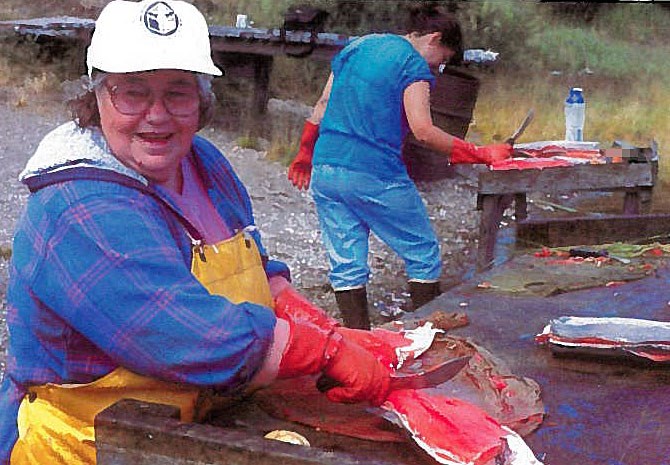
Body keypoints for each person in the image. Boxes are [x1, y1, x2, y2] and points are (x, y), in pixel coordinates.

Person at [0, 1, 391, 463]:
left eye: (179, 92)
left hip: (190, 422)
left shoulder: (203, 163)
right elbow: (181, 337)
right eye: (132, 92)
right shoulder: (79, 207)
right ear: (96, 96)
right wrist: (322, 352)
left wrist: (303, 312)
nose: (158, 114)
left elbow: (253, 262)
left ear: (203, 98)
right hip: (88, 442)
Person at [287, 5, 513, 329]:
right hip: (375, 172)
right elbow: (423, 130)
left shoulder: (358, 45)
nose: (438, 67)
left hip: (326, 167)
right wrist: (480, 153)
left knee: (346, 262)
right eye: (443, 58)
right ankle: (430, 333)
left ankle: (360, 344)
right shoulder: (413, 65)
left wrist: (304, 153)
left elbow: (323, 103)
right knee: (422, 252)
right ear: (434, 39)